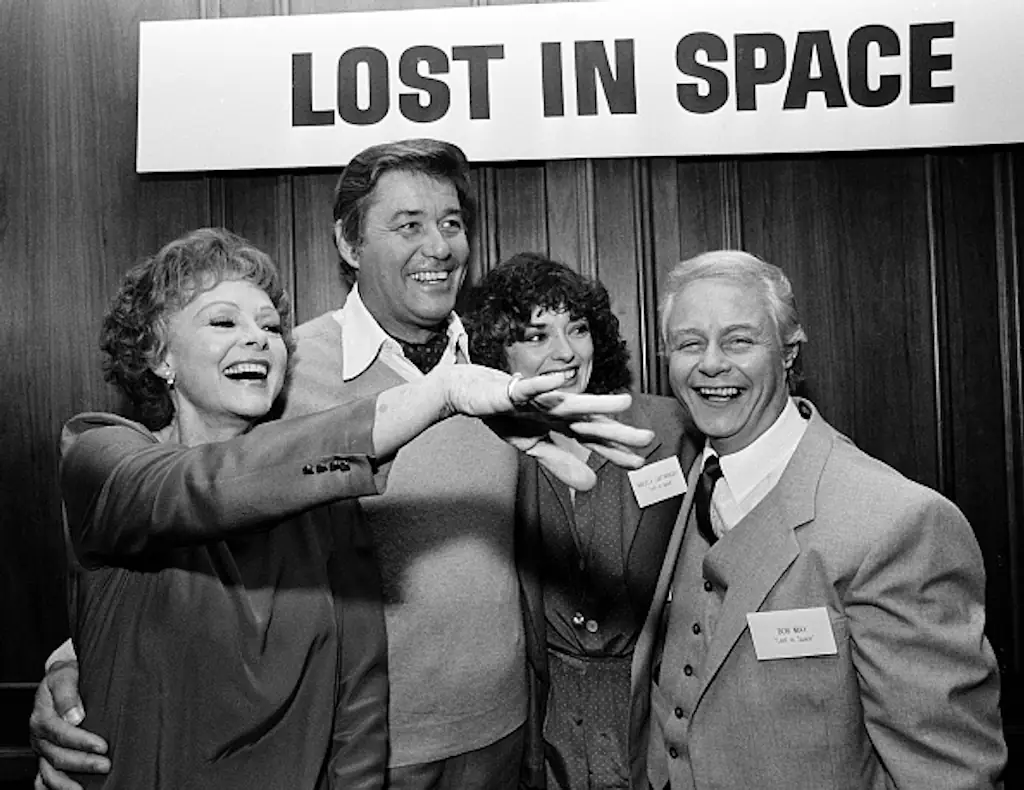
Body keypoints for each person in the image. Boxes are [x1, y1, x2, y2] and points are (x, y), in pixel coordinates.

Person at [32, 141, 650, 790]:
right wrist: (73, 663)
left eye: (452, 223)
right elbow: (201, 493)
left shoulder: (499, 365)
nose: (439, 246)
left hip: (500, 734)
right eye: (408, 224)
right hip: (357, 754)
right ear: (349, 245)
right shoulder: (280, 373)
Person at [628, 250, 1007, 790]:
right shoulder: (687, 482)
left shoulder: (898, 523)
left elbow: (948, 772)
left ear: (788, 353)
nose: (711, 363)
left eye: (738, 340)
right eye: (690, 343)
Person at [464, 252, 699, 790]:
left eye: (577, 329)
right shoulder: (489, 449)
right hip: (542, 721)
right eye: (536, 335)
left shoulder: (672, 429)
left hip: (654, 708)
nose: (565, 352)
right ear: (499, 352)